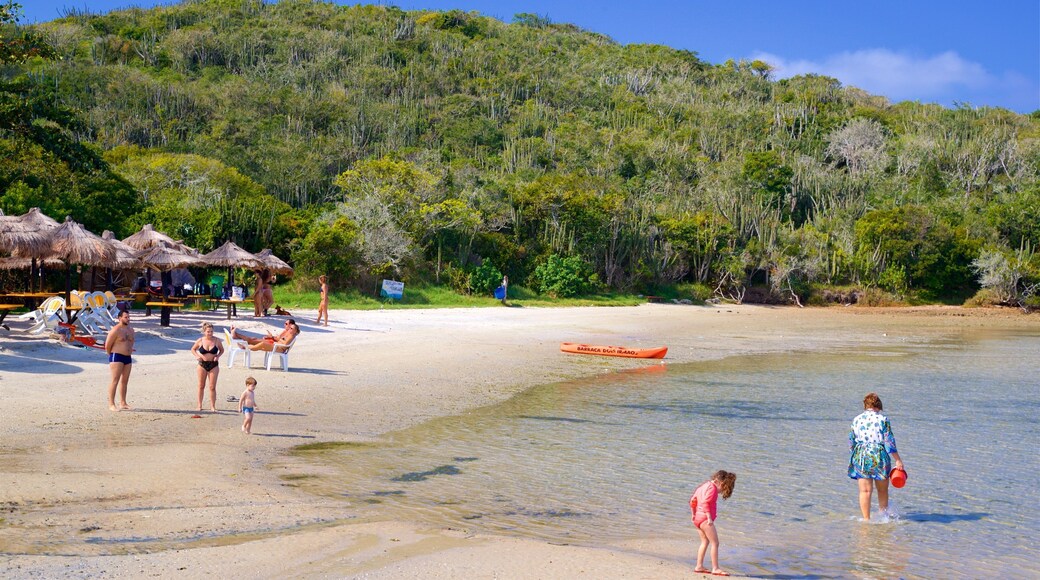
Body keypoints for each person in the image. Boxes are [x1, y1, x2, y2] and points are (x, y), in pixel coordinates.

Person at [849, 392, 905, 521]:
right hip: (879, 455)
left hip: (861, 455)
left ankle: (866, 520)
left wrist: (856, 456)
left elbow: (851, 441)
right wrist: (898, 460)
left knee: (865, 491)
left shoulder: (856, 419)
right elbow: (889, 442)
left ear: (865, 405)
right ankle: (883, 517)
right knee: (882, 490)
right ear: (879, 406)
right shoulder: (883, 419)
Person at [689, 469, 737, 576]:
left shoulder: (704, 486)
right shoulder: (713, 489)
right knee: (715, 543)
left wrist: (693, 514)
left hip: (697, 518)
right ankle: (715, 568)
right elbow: (706, 502)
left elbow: (693, 500)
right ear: (720, 482)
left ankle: (699, 566)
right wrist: (709, 517)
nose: (721, 491)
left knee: (705, 542)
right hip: (705, 519)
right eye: (723, 487)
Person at [104, 310, 135, 412]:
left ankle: (123, 402)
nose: (128, 319)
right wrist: (111, 355)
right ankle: (111, 404)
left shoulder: (131, 330)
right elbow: (107, 345)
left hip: (128, 357)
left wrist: (129, 349)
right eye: (126, 317)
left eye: (128, 317)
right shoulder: (115, 330)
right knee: (115, 380)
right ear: (119, 318)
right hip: (117, 356)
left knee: (125, 381)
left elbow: (130, 343)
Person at [190, 321, 224, 412]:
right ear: (204, 331)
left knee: (212, 387)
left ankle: (213, 406)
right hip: (202, 365)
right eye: (208, 331)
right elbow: (193, 349)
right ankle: (199, 405)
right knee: (201, 385)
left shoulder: (217, 340)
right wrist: (197, 356)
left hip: (213, 365)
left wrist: (217, 356)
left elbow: (222, 350)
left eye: (211, 331)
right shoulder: (200, 340)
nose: (210, 333)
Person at [231, 319, 300, 352]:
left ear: (295, 331)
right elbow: (280, 339)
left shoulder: (291, 336)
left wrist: (274, 338)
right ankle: (238, 337)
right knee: (255, 341)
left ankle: (245, 346)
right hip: (276, 345)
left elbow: (284, 343)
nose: (285, 325)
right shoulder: (289, 333)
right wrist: (274, 338)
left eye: (291, 328)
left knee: (261, 344)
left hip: (278, 348)